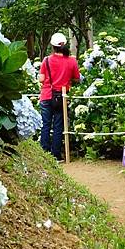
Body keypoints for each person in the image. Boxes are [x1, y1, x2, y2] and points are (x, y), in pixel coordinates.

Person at [38, 32, 81, 161]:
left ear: (52, 46)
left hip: (46, 95)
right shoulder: (72, 61)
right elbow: (77, 78)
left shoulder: (46, 60)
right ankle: (56, 155)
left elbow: (41, 79)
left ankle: (44, 154)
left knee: (45, 125)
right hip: (61, 97)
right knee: (58, 126)